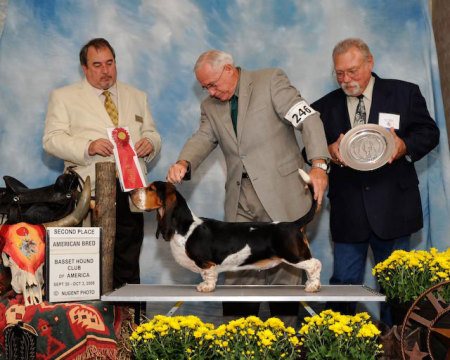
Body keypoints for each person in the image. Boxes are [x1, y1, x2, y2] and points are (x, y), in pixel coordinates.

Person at [166, 49, 330, 327]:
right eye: (205, 87)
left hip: (282, 195)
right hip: (240, 199)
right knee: (236, 277)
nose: (211, 92)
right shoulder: (210, 106)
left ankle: (284, 343)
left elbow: (309, 118)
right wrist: (184, 161)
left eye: (213, 84)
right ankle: (239, 343)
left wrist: (318, 163)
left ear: (229, 69)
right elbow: (204, 137)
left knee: (285, 274)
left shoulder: (271, 81)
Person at [311, 38, 440, 324]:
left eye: (353, 71)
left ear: (370, 63)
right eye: (340, 73)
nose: (346, 80)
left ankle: (397, 346)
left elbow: (430, 133)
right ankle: (340, 346)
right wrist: (328, 152)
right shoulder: (322, 107)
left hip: (395, 207)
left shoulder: (404, 93)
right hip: (348, 211)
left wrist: (403, 145)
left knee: (396, 287)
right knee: (343, 284)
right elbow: (308, 152)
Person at [43, 38, 162, 288]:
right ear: (84, 69)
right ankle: (93, 318)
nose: (105, 70)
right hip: (89, 191)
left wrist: (151, 144)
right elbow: (51, 141)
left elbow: (152, 133)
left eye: (110, 63)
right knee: (88, 261)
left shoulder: (137, 95)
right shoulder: (63, 97)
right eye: (97, 65)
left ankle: (130, 319)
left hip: (131, 190)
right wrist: (87, 146)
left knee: (128, 258)